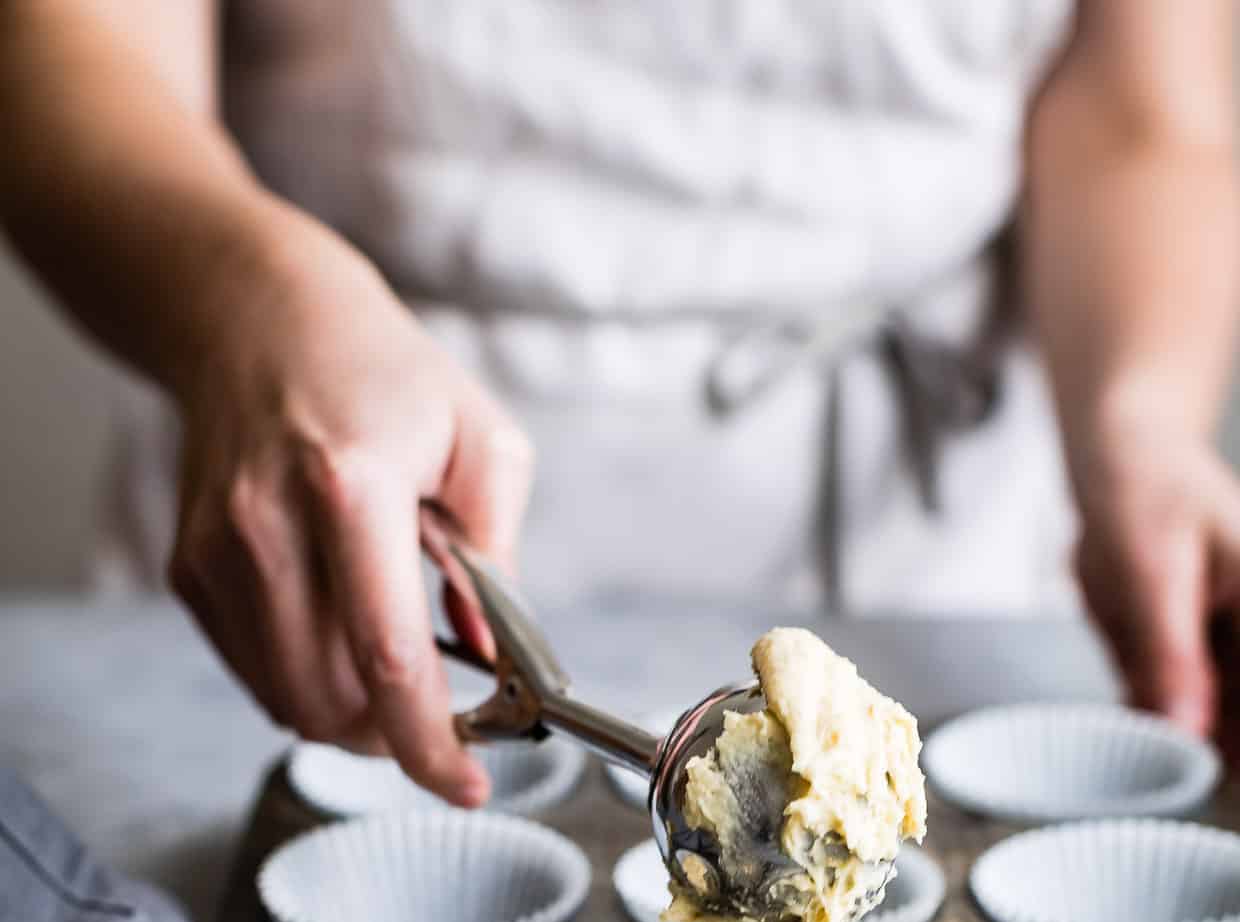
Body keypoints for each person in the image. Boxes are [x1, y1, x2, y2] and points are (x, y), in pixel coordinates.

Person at [2, 1, 1238, 802]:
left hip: (926, 543)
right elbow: (67, 50)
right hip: (351, 463)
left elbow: (1142, 109)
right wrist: (245, 306)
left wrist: (1144, 425)